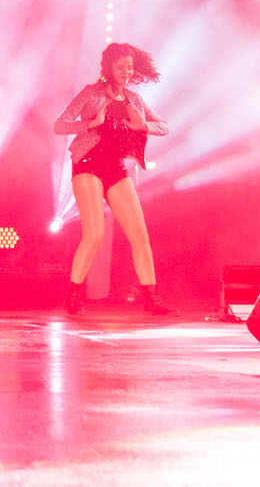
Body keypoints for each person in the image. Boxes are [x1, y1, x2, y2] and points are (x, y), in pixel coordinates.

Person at [52, 42, 171, 316]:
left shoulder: (134, 100)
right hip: (88, 163)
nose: (126, 72)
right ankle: (73, 295)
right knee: (94, 233)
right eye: (121, 67)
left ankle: (151, 298)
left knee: (140, 235)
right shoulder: (91, 94)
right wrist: (90, 124)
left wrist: (144, 126)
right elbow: (59, 125)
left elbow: (163, 126)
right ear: (108, 69)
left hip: (115, 167)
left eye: (130, 67)